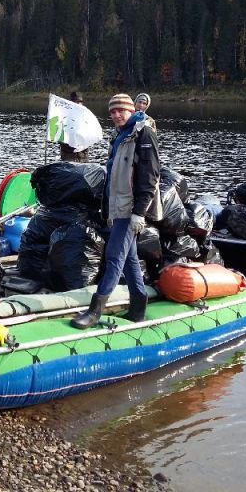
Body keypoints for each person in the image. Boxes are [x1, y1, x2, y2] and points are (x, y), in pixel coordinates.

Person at [71, 93, 161, 328]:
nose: (116, 115)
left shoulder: (144, 133)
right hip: (118, 208)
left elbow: (150, 177)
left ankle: (94, 311)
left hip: (132, 209)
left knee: (113, 257)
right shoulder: (121, 136)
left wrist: (139, 213)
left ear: (132, 110)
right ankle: (138, 308)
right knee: (130, 259)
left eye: (120, 110)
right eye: (112, 111)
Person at [59, 91, 89, 162]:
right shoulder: (64, 119)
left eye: (80, 102)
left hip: (83, 159)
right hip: (68, 158)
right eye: (76, 102)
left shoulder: (86, 118)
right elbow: (60, 139)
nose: (79, 104)